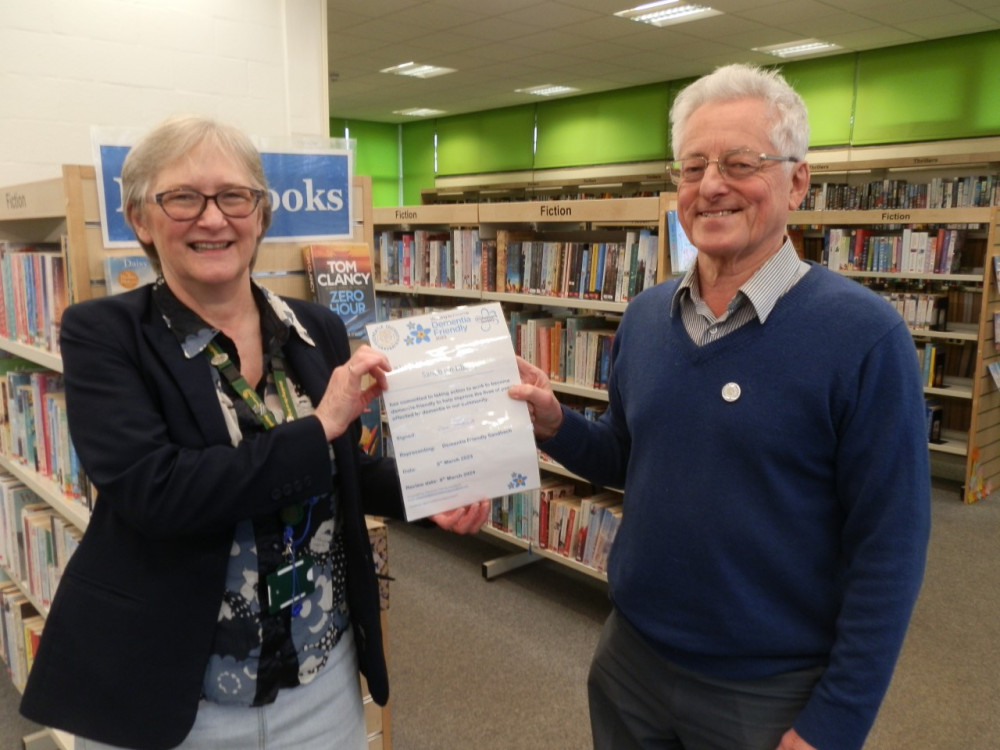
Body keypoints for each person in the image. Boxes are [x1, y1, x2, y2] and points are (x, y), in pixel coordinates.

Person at [19, 114, 489, 750]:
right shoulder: (104, 334)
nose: (213, 219)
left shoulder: (313, 328)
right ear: (140, 219)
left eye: (234, 196)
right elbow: (157, 493)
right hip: (176, 694)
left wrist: (439, 488)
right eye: (183, 197)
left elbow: (345, 468)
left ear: (261, 213)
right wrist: (321, 425)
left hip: (317, 681)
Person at [509, 63, 930, 750]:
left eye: (740, 163)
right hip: (629, 660)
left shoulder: (865, 336)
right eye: (692, 166)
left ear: (797, 182)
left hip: (767, 693)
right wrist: (556, 424)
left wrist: (836, 721)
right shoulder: (645, 317)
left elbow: (891, 544)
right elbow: (627, 455)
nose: (711, 186)